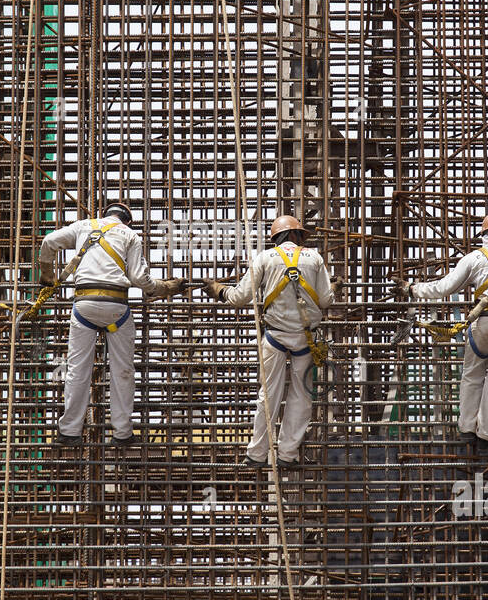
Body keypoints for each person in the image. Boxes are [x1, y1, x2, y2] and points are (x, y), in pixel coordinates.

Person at [393, 211, 488, 456]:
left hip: (483, 322)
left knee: (473, 374)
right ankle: (486, 434)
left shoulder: (475, 257)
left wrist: (412, 289)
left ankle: (466, 429)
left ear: (484, 234)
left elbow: (444, 288)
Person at [38, 201, 185, 446]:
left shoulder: (85, 226)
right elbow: (139, 278)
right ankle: (122, 433)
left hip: (83, 306)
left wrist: (47, 274)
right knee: (122, 371)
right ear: (127, 220)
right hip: (116, 309)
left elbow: (48, 242)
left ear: (105, 215)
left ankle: (69, 432)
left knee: (76, 370)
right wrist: (164, 287)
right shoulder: (130, 235)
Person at [204, 215, 336, 469]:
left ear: (276, 238)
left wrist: (220, 291)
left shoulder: (264, 258)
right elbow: (325, 301)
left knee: (269, 395)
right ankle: (288, 455)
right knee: (301, 397)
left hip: (275, 337)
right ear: (297, 236)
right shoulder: (315, 258)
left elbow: (240, 297)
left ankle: (256, 454)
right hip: (305, 338)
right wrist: (333, 289)